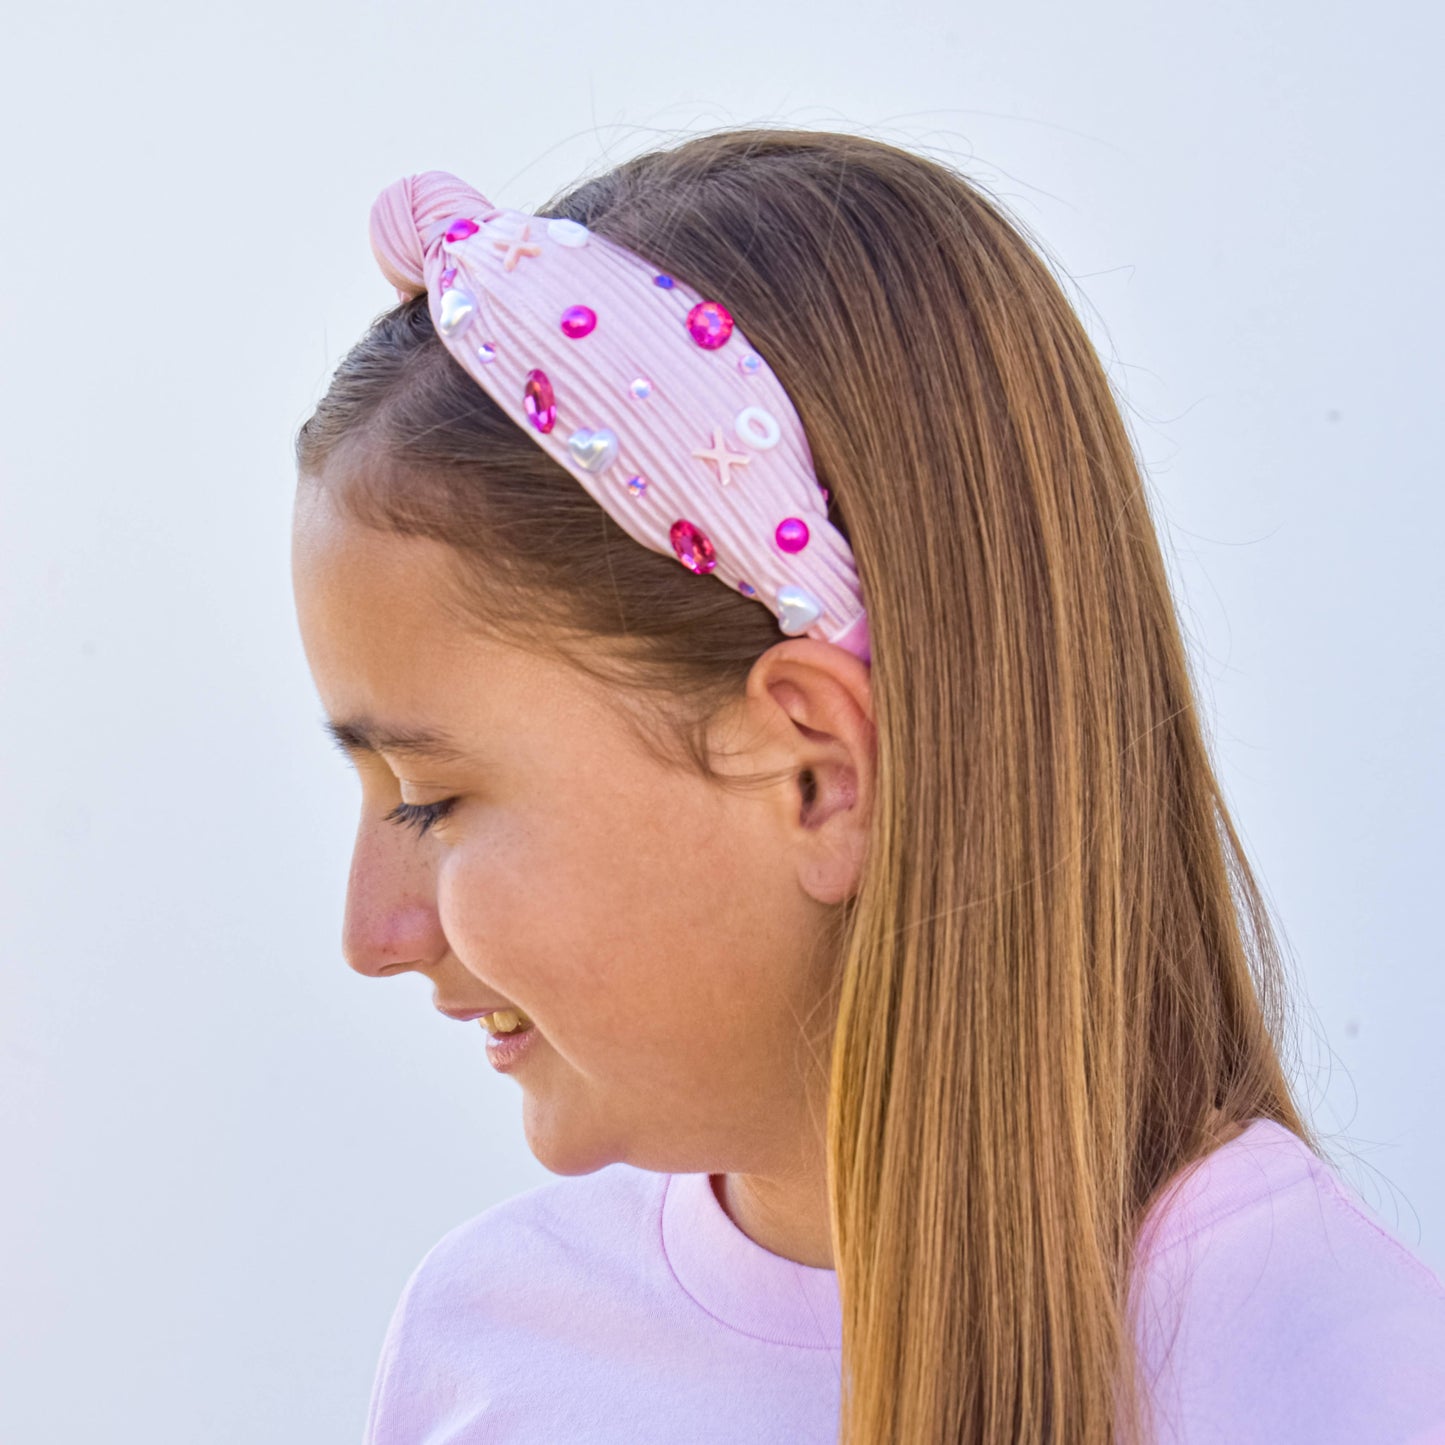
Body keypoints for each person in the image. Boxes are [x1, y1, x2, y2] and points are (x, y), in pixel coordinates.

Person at [289, 128, 1445, 1444]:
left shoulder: (1337, 1388)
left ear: (817, 773)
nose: (369, 931)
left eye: (432, 800)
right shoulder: (491, 1347)